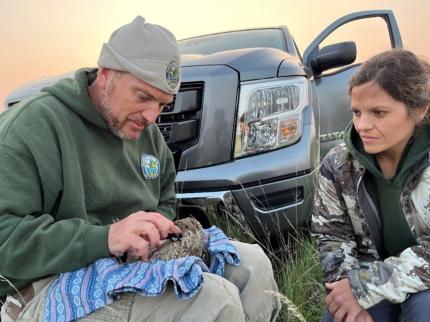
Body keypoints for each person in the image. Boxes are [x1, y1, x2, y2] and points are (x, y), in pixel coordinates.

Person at [0, 16, 280, 321]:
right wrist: (105, 238)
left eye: (162, 104)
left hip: (130, 266)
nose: (151, 116)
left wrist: (152, 229)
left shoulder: (147, 135)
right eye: (143, 96)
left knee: (253, 265)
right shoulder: (33, 127)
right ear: (106, 74)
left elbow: (164, 201)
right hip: (48, 286)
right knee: (214, 300)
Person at [312, 49, 430, 322]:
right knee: (338, 313)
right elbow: (332, 237)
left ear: (419, 109)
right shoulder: (338, 164)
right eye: (357, 112)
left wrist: (362, 286)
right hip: (369, 276)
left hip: (421, 284)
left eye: (378, 112)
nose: (363, 125)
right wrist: (349, 296)